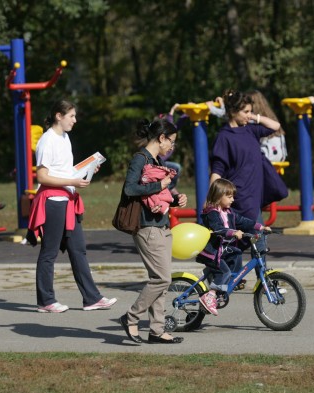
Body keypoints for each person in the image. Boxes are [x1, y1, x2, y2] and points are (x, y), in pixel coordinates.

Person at [27, 100, 117, 313]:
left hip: (68, 202)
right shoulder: (47, 141)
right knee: (49, 252)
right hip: (53, 202)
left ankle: (92, 298)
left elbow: (63, 171)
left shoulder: (65, 138)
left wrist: (84, 170)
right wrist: (73, 182)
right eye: (72, 116)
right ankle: (46, 301)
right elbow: (42, 176)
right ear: (59, 116)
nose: (75, 120)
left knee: (78, 250)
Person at [119, 117, 188, 344]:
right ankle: (131, 317)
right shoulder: (140, 159)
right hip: (146, 226)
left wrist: (175, 201)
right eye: (172, 142)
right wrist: (159, 185)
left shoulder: (155, 159)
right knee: (161, 278)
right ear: (161, 138)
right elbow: (130, 189)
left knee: (162, 281)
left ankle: (156, 330)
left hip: (161, 225)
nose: (172, 146)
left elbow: (157, 194)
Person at [209, 89, 284, 257]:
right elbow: (217, 170)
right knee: (255, 238)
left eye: (250, 111)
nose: (249, 115)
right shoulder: (224, 136)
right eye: (246, 112)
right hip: (239, 196)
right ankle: (241, 278)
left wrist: (254, 117)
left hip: (254, 194)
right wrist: (211, 198)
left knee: (251, 240)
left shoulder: (250, 129)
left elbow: (275, 126)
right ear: (233, 112)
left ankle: (257, 280)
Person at [196, 179, 271, 316]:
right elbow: (218, 229)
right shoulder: (211, 213)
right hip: (212, 251)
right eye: (229, 197)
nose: (232, 200)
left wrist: (260, 227)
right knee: (224, 272)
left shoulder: (229, 212)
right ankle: (210, 295)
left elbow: (243, 221)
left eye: (233, 197)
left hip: (223, 249)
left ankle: (230, 281)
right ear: (218, 196)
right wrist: (233, 232)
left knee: (236, 254)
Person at [207, 90, 287, 162]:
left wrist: (212, 108)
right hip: (280, 155)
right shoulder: (267, 116)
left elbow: (231, 115)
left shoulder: (252, 119)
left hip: (269, 154)